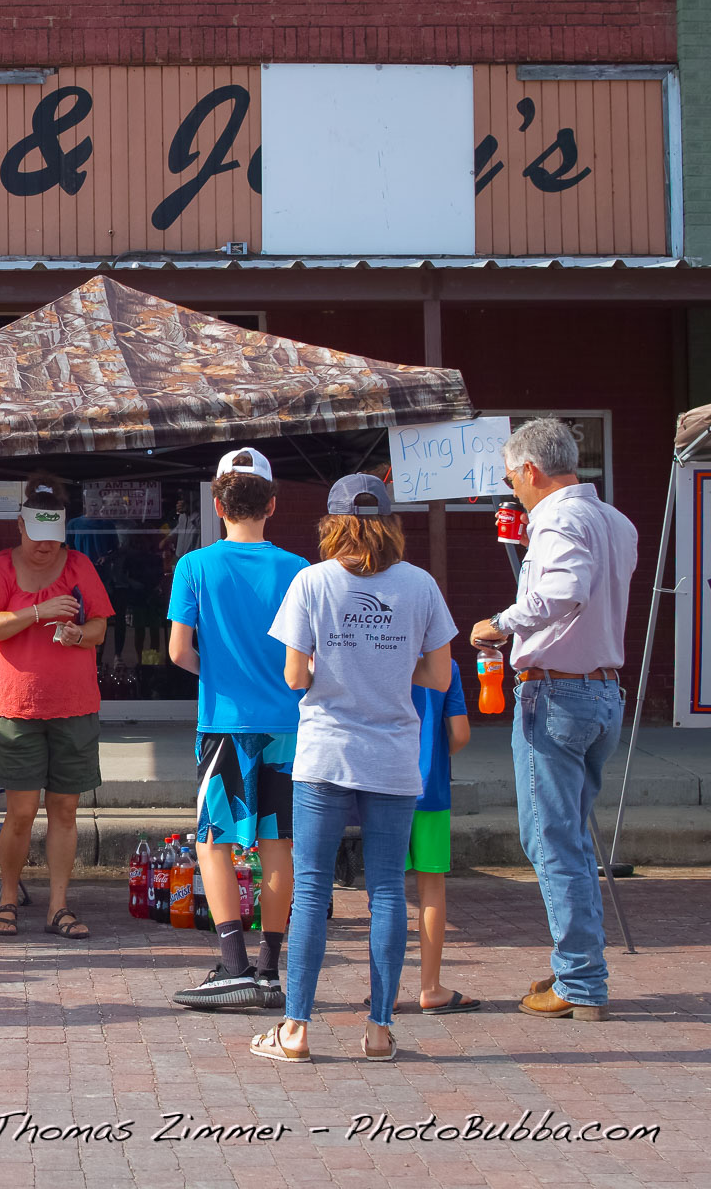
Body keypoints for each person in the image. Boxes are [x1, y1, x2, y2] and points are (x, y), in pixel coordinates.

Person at [252, 473, 455, 1065]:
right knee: (388, 889)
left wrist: (334, 669)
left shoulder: (311, 582)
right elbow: (439, 678)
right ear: (391, 522)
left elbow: (294, 676)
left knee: (311, 888)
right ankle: (380, 1029)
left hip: (326, 753)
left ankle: (296, 1030)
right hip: (393, 754)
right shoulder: (420, 586)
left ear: (332, 524)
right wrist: (392, 674)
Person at [469, 418, 636, 1022]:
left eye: (513, 478)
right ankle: (579, 965)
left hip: (559, 694)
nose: (513, 489)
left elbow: (564, 592)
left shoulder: (560, 519)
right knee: (565, 836)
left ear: (531, 471)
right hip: (600, 692)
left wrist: (500, 622)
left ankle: (581, 980)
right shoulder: (614, 520)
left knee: (550, 841)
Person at [167, 448, 305, 1011]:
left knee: (214, 841)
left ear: (217, 504)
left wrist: (219, 671)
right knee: (278, 843)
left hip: (224, 722)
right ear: (271, 504)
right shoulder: (299, 569)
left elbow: (179, 652)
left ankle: (233, 966)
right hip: (288, 722)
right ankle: (271, 970)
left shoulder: (194, 567)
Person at [0, 475, 112, 940]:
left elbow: (99, 630)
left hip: (73, 705)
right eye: (37, 540)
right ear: (21, 528)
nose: (45, 550)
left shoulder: (80, 565)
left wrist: (76, 634)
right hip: (15, 707)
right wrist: (37, 612)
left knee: (65, 810)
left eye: (54, 542)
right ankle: (7, 897)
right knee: (22, 811)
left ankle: (58, 905)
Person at [407, 656, 478, 1016]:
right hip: (430, 789)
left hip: (381, 786)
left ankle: (383, 988)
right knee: (431, 886)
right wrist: (436, 759)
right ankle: (431, 987)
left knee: (383, 889)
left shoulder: (374, 650)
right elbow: (461, 733)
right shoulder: (445, 666)